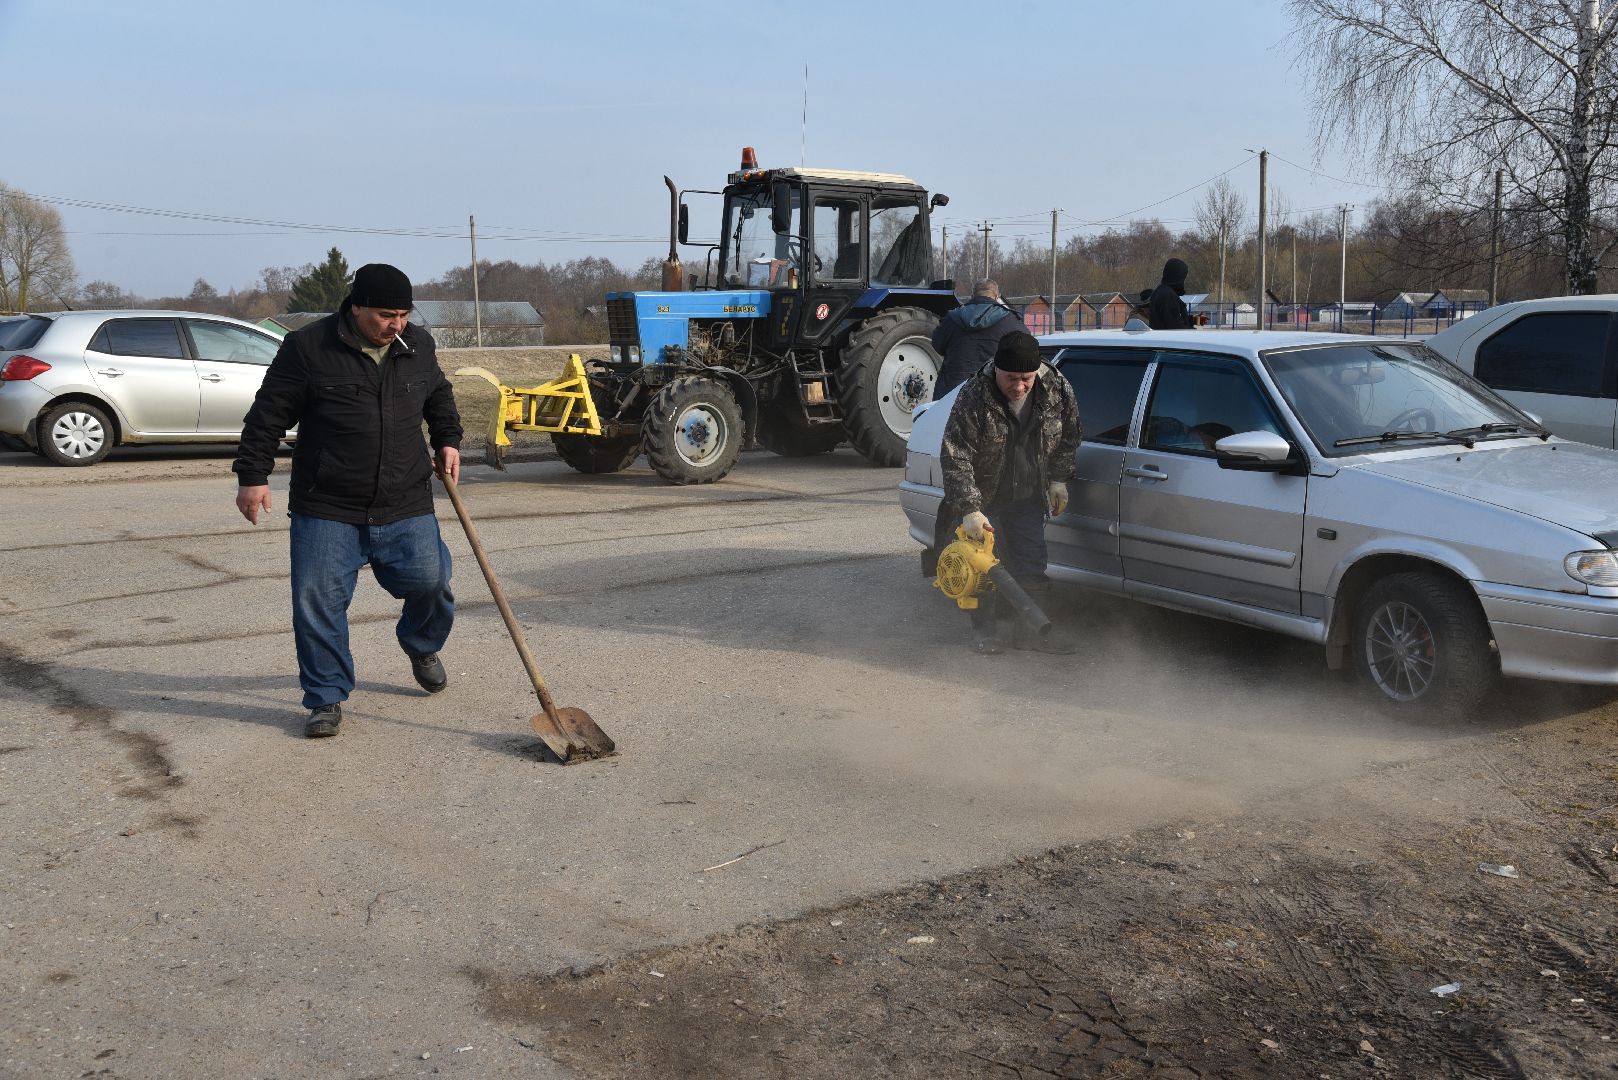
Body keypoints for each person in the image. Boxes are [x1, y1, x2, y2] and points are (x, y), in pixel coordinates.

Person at [232, 264, 463, 739]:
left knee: (432, 580)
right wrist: (253, 476)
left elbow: (438, 393)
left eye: (403, 314)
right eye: (385, 315)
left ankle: (421, 644)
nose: (395, 325)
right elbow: (267, 415)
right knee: (317, 603)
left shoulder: (417, 344)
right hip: (328, 504)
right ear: (356, 308)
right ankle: (325, 696)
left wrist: (448, 439)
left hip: (405, 499)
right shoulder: (308, 347)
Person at [937, 331, 1081, 655]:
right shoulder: (974, 394)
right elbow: (955, 453)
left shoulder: (1056, 388)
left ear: (1037, 370)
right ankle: (986, 633)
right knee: (984, 568)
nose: (1018, 386)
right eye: (1011, 378)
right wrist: (969, 508)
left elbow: (1070, 435)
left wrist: (1058, 479)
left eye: (1026, 378)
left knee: (1032, 563)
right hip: (985, 499)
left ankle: (1029, 635)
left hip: (1028, 496)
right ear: (997, 370)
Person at [931, 279, 1028, 398]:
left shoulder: (952, 318)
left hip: (952, 393)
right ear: (997, 296)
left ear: (973, 295)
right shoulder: (1010, 321)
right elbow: (1028, 351)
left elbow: (937, 344)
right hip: (993, 394)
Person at [1147, 258, 1193, 330]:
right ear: (1178, 276)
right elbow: (1175, 327)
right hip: (1169, 339)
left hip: (1162, 338)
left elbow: (1171, 317)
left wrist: (1194, 320)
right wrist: (1191, 331)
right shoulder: (1168, 296)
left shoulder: (1159, 291)